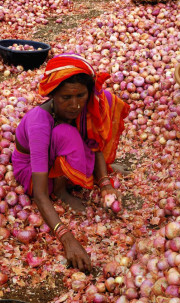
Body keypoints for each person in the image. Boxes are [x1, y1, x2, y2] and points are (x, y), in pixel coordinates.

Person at [12, 53, 130, 271]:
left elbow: (94, 143)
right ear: (52, 95)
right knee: (65, 134)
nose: (75, 105)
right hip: (32, 170)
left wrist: (104, 183)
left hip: (57, 150)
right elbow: (39, 194)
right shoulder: (40, 124)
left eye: (81, 96)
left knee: (104, 104)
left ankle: (80, 175)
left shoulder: (85, 107)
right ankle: (61, 190)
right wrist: (67, 238)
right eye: (66, 98)